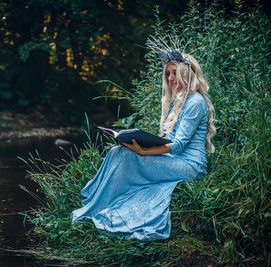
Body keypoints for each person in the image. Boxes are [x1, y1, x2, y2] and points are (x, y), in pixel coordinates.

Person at [71, 48, 216, 241]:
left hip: (190, 166)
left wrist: (143, 151)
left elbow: (179, 145)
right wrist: (144, 145)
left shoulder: (195, 102)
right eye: (168, 73)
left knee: (127, 156)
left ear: (186, 74)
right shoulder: (180, 101)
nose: (171, 78)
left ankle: (103, 206)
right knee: (117, 151)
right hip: (176, 159)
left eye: (175, 73)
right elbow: (171, 141)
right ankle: (98, 204)